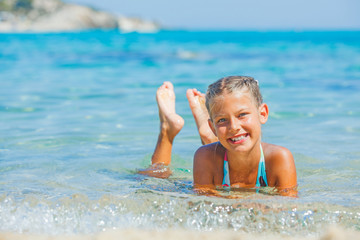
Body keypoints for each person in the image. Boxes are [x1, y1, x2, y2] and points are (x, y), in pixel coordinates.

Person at [139, 76, 297, 197]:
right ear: (213, 126)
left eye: (242, 115)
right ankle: (167, 130)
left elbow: (289, 209)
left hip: (220, 153)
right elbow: (204, 206)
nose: (234, 127)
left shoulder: (279, 158)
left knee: (224, 143)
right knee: (155, 181)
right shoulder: (204, 156)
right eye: (222, 120)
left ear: (262, 114)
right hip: (215, 157)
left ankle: (208, 134)